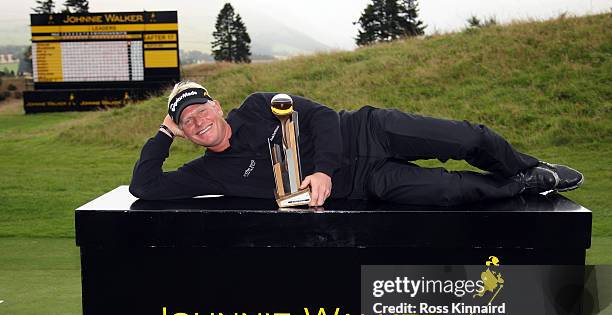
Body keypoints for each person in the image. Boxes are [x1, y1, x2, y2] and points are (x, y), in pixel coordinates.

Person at [129, 80, 583, 207]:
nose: (199, 120)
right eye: (187, 121)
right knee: (450, 191)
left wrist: (322, 167)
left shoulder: (257, 105)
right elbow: (144, 187)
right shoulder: (204, 172)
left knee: (471, 138)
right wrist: (162, 134)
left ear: (217, 106)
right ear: (186, 133)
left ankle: (525, 165)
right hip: (366, 181)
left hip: (368, 131)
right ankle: (524, 186)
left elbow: (323, 116)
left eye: (201, 110)